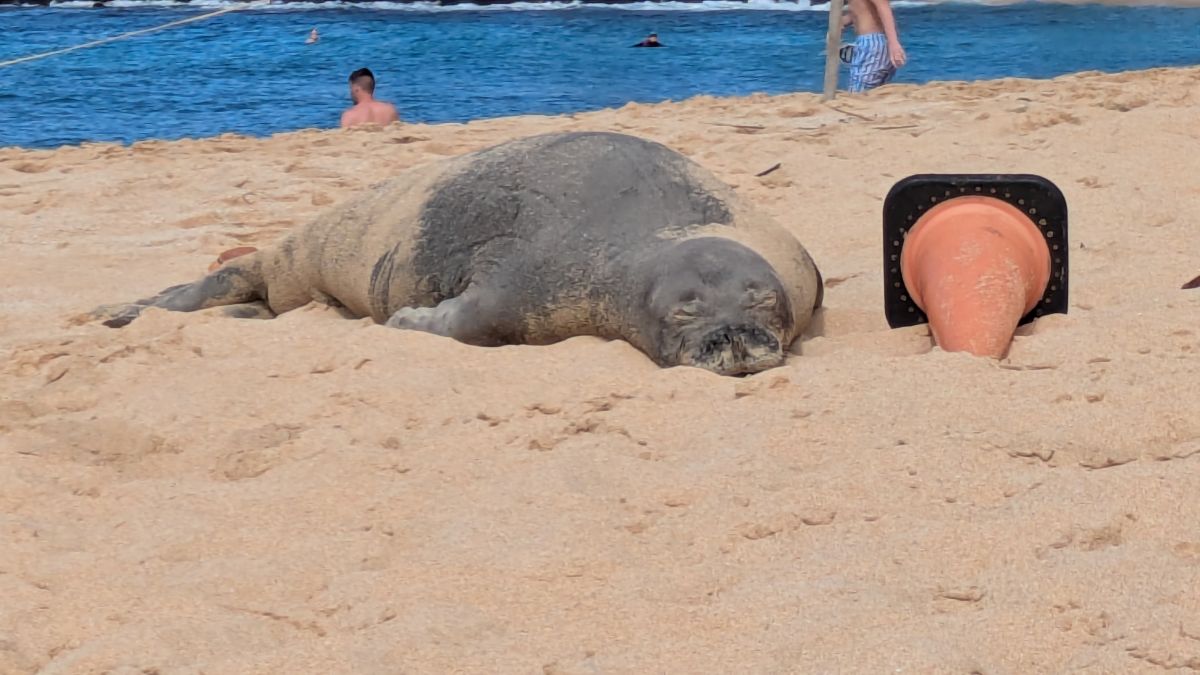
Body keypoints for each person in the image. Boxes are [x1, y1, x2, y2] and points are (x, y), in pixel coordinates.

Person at [841, 0, 906, 92]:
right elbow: (863, 9)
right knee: (874, 95)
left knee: (858, 96)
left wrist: (894, 43)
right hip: (876, 43)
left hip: (872, 44)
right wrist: (843, 21)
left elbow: (883, 7)